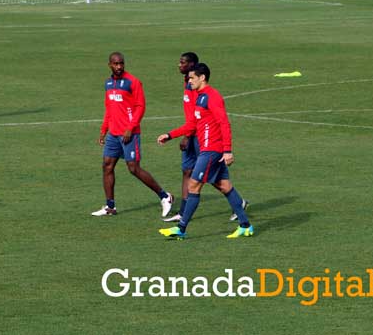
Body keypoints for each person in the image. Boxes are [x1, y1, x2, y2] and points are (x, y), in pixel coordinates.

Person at [157, 63, 254, 239]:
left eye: (192, 77)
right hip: (207, 149)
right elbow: (192, 125)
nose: (189, 80)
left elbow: (224, 123)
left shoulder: (212, 96)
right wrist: (169, 135)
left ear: (202, 78)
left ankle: (181, 228)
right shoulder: (199, 97)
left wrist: (227, 151)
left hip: (212, 150)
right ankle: (245, 225)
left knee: (193, 185)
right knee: (224, 186)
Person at [92, 51, 173, 217]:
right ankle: (110, 207)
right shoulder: (108, 83)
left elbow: (140, 106)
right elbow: (109, 109)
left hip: (130, 133)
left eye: (121, 63)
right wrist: (103, 130)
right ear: (109, 65)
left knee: (133, 168)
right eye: (116, 64)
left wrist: (130, 127)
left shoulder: (133, 82)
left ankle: (165, 196)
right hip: (113, 134)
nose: (119, 67)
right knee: (107, 166)